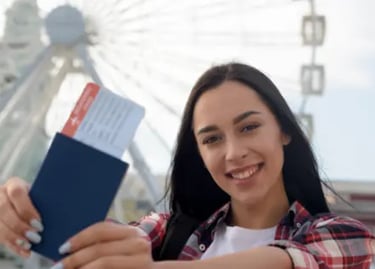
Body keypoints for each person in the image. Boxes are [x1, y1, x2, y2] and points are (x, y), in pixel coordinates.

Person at [0, 62, 374, 269]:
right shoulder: (167, 234)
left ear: (285, 132)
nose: (234, 152)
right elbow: (98, 242)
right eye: (212, 139)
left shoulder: (340, 236)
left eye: (249, 127)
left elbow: (286, 263)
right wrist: (30, 208)